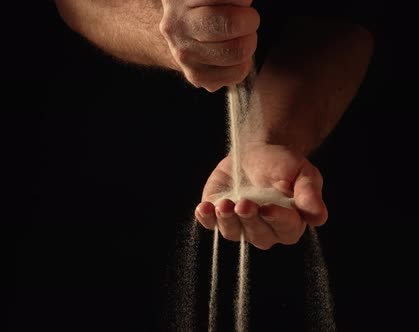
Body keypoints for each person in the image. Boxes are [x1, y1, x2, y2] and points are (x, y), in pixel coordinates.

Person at [54, 0, 374, 250]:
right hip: (100, 158)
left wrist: (265, 137)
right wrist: (171, 31)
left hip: (330, 146)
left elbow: (341, 18)